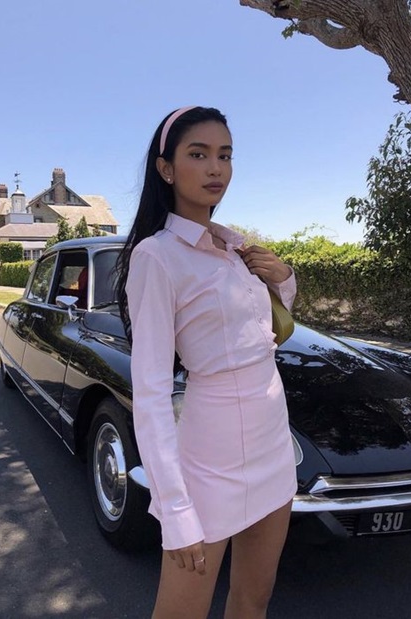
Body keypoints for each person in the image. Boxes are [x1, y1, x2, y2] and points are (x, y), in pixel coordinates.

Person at [116, 106, 297, 619]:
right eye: (198, 155)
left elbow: (264, 334)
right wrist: (174, 509)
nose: (216, 168)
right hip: (211, 460)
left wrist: (283, 277)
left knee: (254, 601)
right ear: (166, 169)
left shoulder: (233, 243)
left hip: (273, 445)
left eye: (225, 155)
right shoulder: (157, 256)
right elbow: (151, 393)